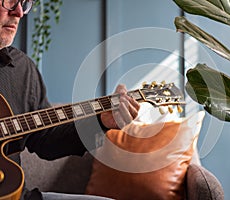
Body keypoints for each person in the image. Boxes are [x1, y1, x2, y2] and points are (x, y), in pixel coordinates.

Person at [0, 0, 140, 199]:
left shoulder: (22, 69)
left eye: (23, 2)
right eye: (9, 1)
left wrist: (100, 121)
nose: (19, 12)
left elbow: (46, 140)